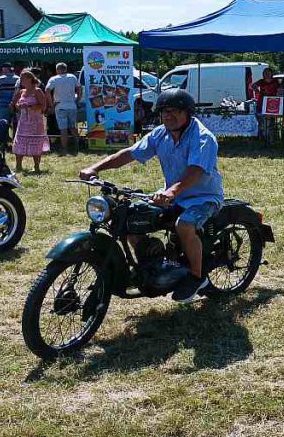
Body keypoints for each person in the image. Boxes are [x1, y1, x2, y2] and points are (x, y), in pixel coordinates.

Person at [79, 89, 223, 304]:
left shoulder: (203, 137)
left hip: (203, 197)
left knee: (184, 225)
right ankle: (151, 267)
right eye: (164, 111)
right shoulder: (160, 134)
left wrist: (171, 191)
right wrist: (95, 168)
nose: (168, 116)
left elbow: (196, 170)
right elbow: (129, 153)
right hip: (172, 196)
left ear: (188, 113)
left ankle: (196, 277)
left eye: (174, 111)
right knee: (131, 220)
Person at [11, 69, 50, 173]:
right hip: (23, 122)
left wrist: (31, 106)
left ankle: (36, 167)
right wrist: (19, 106)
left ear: (29, 79)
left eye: (22, 78)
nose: (21, 80)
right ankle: (18, 166)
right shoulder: (21, 92)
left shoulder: (37, 91)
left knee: (35, 144)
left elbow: (43, 106)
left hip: (35, 122)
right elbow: (16, 105)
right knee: (19, 142)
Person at [45, 62, 81, 155]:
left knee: (63, 129)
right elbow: (79, 88)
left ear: (57, 70)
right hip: (72, 105)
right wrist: (78, 100)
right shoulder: (72, 77)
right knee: (73, 127)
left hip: (60, 106)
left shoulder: (54, 79)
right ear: (66, 69)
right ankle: (78, 146)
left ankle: (64, 149)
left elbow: (47, 90)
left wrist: (51, 103)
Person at [0, 63, 19, 143]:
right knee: (17, 124)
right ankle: (16, 142)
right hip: (16, 105)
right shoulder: (18, 79)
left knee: (2, 124)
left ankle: (2, 143)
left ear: (4, 69)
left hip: (3, 105)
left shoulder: (0, 79)